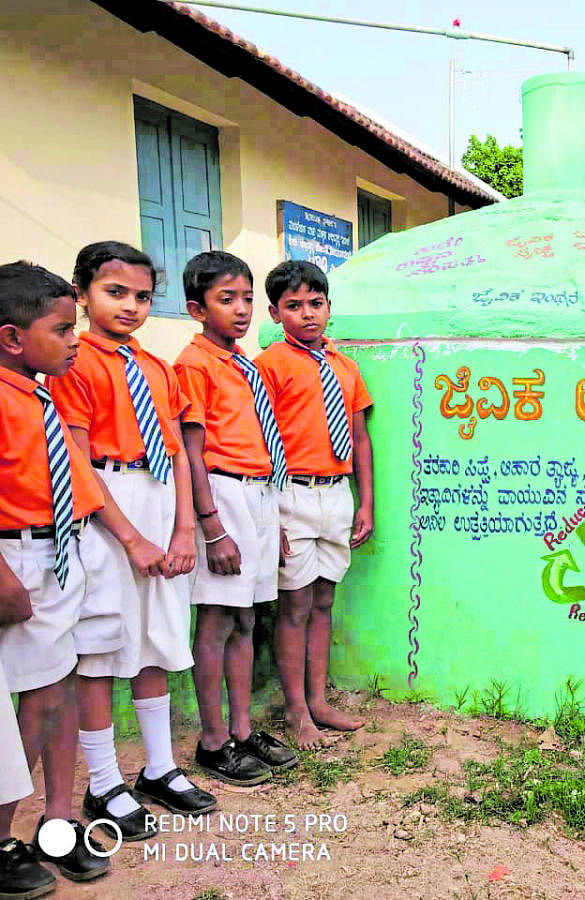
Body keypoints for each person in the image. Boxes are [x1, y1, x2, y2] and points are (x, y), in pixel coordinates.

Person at [48, 242, 217, 841]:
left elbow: (174, 450)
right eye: (114, 292)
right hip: (104, 513)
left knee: (156, 641)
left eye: (142, 296)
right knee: (102, 648)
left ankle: (160, 767)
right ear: (82, 292)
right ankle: (101, 781)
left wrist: (180, 529)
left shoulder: (157, 368)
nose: (130, 306)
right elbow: (77, 460)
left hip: (159, 497)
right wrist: (130, 538)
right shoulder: (74, 365)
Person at [0, 261, 111, 891]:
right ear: (14, 337)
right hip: (17, 563)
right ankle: (2, 841)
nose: (75, 340)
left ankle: (59, 823)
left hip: (58, 552)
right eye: (63, 329)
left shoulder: (39, 392)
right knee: (34, 705)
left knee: (59, 693)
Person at [173, 251, 295, 785]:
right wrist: (212, 526)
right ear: (197, 309)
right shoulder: (193, 365)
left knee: (247, 619)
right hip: (222, 496)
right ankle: (212, 739)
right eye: (228, 299)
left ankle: (243, 732)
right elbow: (191, 450)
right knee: (218, 621)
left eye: (247, 298)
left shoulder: (243, 362)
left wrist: (277, 519)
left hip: (260, 494)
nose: (242, 309)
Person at [256, 260, 374, 749]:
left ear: (329, 308)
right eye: (294, 306)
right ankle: (296, 711)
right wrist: (270, 512)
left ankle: (319, 701)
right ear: (275, 312)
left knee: (325, 599)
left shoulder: (345, 367)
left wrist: (365, 502)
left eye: (316, 304)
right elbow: (259, 440)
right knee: (295, 604)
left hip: (336, 493)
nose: (308, 314)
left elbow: (361, 438)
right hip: (291, 493)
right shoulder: (268, 366)